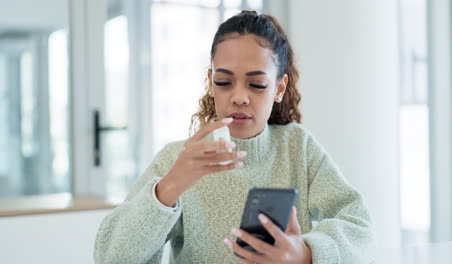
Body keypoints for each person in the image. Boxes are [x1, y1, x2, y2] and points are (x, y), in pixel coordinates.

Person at [94, 10, 375, 264]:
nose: (239, 97)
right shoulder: (177, 160)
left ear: (279, 88)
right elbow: (109, 257)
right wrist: (168, 189)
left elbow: (358, 224)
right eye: (224, 82)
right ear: (210, 82)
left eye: (257, 84)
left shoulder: (297, 147)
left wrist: (305, 254)